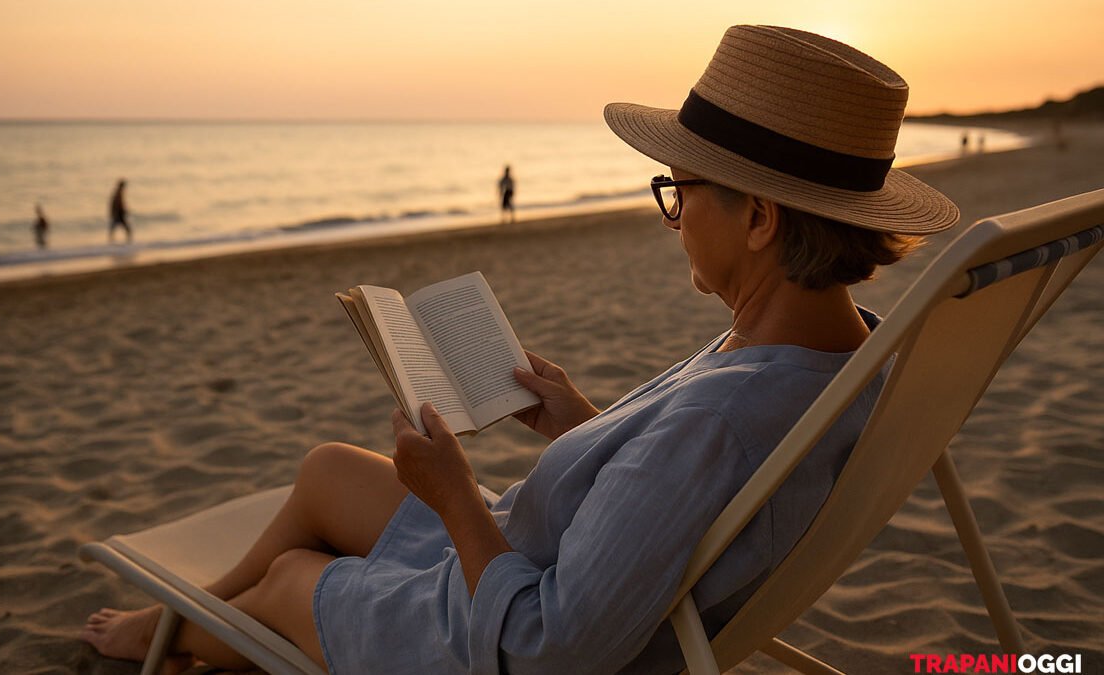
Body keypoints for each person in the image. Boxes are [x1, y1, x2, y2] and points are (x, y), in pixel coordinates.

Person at [80, 25, 959, 674]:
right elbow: (672, 488)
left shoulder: (722, 423)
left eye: (679, 191)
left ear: (760, 219)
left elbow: (551, 648)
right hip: (541, 545)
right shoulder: (840, 354)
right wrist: (581, 424)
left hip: (499, 611)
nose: (673, 215)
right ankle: (192, 614)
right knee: (325, 472)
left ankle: (173, 637)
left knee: (289, 579)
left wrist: (457, 497)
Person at [108, 179, 132, 244]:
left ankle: (111, 242)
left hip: (118, 214)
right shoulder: (118, 193)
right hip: (118, 214)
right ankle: (128, 243)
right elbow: (118, 204)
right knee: (127, 229)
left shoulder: (118, 193)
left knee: (113, 229)